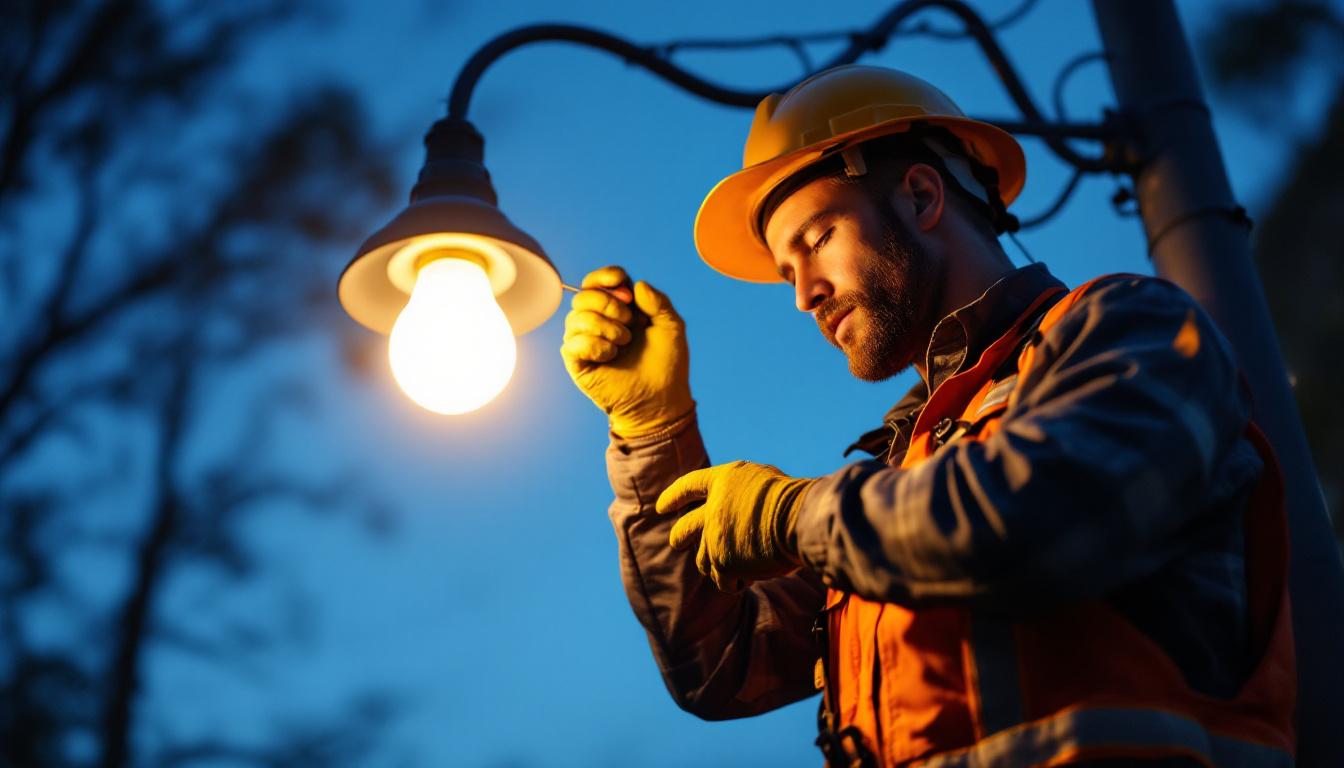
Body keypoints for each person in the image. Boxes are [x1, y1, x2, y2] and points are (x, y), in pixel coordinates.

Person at [559, 65, 1295, 767]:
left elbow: (1045, 516)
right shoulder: (896, 483)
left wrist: (794, 516)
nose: (803, 295)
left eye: (816, 241)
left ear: (920, 197)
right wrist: (652, 430)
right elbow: (723, 661)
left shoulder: (1131, 329)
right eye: (788, 272)